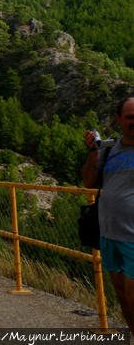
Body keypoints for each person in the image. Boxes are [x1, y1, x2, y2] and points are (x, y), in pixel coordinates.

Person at [82, 96, 134, 331]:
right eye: (130, 117)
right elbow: (89, 183)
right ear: (118, 119)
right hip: (110, 235)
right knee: (122, 297)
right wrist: (94, 151)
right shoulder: (110, 148)